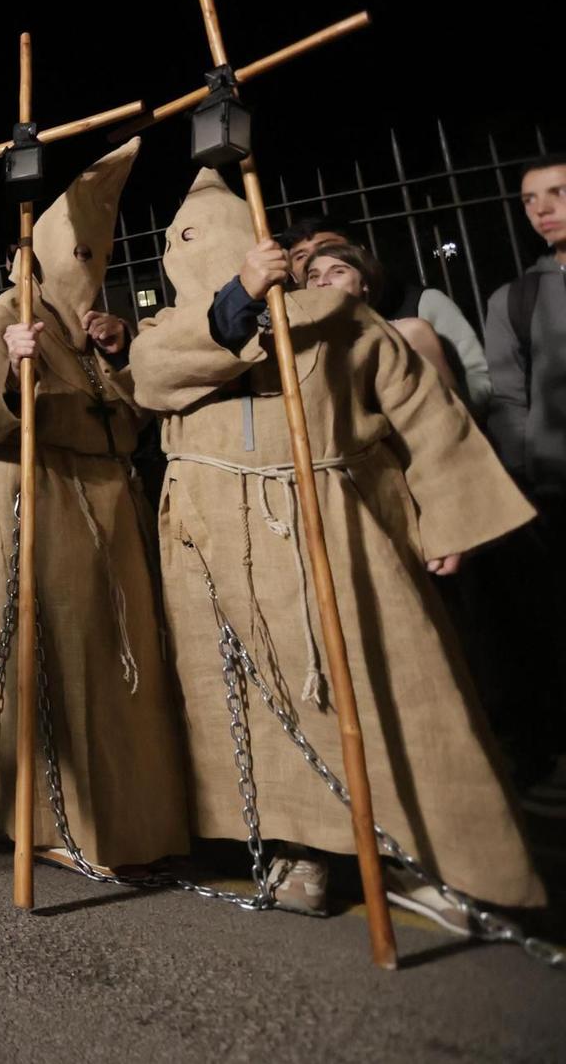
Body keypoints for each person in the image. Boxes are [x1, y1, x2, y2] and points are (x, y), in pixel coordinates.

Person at [131, 167, 542, 925]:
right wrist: (238, 301)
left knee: (390, 688)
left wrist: (448, 518)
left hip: (335, 532)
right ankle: (300, 850)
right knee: (261, 701)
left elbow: (425, 410)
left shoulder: (343, 319)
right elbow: (156, 378)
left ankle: (427, 854)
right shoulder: (168, 335)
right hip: (221, 553)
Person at [0, 139, 190, 872]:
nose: (90, 273)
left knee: (114, 669)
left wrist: (116, 359)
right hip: (36, 505)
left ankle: (126, 811)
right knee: (50, 667)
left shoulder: (91, 333)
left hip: (109, 515)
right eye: (77, 255)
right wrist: (13, 381)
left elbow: (130, 416)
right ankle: (48, 817)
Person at [482, 161, 566, 803]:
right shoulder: (517, 297)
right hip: (554, 493)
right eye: (530, 200)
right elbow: (508, 401)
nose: (542, 209)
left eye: (558, 194)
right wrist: (526, 483)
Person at [281, 213, 493, 408]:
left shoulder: (420, 306)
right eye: (300, 257)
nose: (316, 259)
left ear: (359, 253)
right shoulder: (295, 332)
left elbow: (477, 379)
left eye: (326, 246)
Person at [305, 243, 461, 391]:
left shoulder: (407, 332)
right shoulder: (303, 346)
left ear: (364, 282)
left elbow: (450, 404)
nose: (322, 282)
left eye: (338, 271)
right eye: (313, 276)